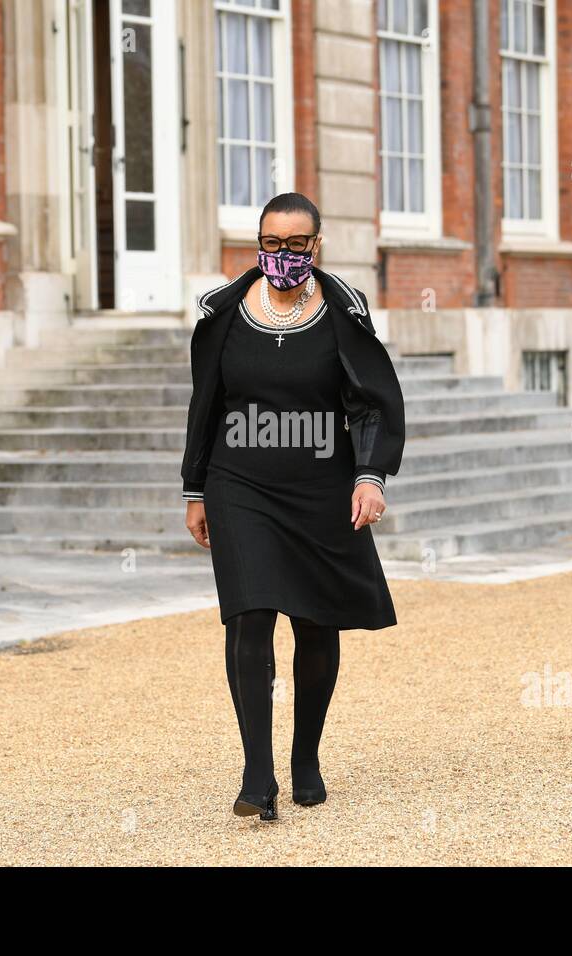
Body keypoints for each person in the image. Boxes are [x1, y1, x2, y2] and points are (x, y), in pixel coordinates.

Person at [181, 192, 406, 820]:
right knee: (248, 616)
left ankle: (305, 756)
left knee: (314, 621)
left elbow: (373, 402)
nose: (283, 255)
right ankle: (258, 777)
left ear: (316, 245)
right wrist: (195, 488)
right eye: (272, 244)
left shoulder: (342, 311)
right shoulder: (223, 312)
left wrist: (369, 477)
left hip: (322, 487)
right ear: (258, 243)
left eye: (296, 245)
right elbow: (206, 405)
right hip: (239, 485)